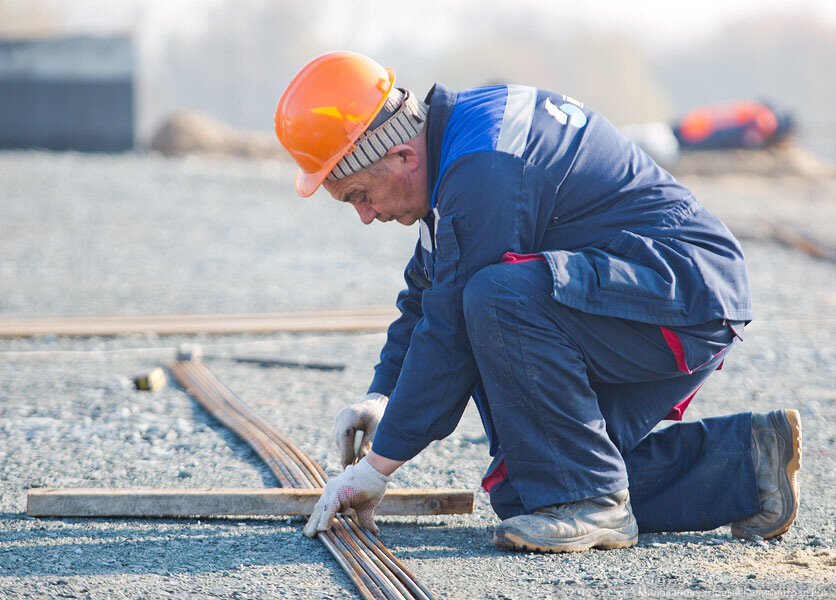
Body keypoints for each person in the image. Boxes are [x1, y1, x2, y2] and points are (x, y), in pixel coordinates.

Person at [274, 51, 802, 553]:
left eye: (359, 196)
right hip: (643, 296)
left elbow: (450, 329)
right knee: (530, 487)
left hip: (684, 291)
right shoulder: (454, 149)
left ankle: (595, 500)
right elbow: (427, 293)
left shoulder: (484, 169)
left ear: (401, 156)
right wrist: (381, 397)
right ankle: (749, 463)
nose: (365, 216)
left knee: (494, 297)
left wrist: (375, 468)